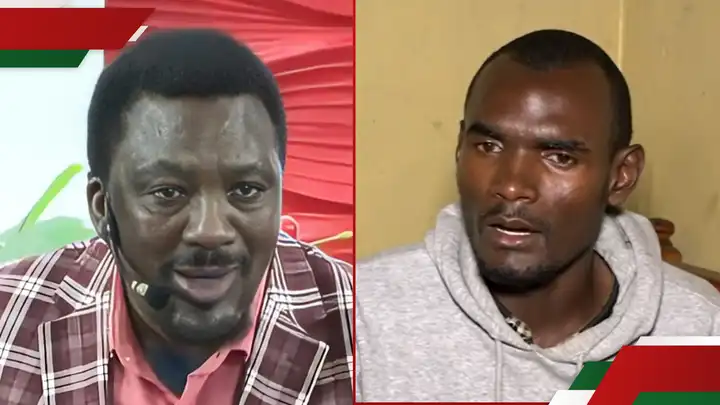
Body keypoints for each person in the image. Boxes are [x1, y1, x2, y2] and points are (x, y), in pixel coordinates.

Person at [355, 29, 720, 403]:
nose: (512, 186)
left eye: (559, 157)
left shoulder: (698, 331)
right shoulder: (361, 315)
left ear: (620, 176)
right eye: (488, 146)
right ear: (460, 148)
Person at [0, 29, 353, 405]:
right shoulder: (10, 318)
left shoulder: (366, 329)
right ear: (102, 207)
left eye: (246, 190)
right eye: (168, 193)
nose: (211, 231)